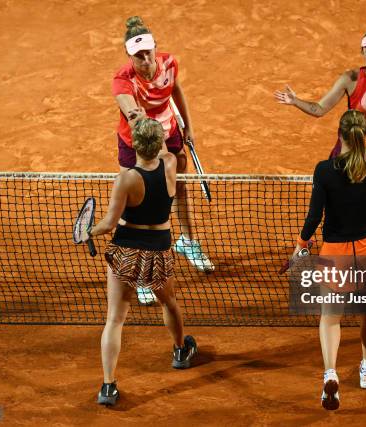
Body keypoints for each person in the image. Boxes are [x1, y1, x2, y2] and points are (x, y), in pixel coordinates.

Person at [82, 118, 198, 407]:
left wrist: (89, 231)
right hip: (159, 251)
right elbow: (161, 153)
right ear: (158, 144)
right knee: (169, 303)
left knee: (114, 320)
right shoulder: (170, 162)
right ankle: (181, 351)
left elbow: (109, 224)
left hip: (126, 253)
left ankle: (108, 386)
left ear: (133, 144)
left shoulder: (126, 179)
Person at [275, 29, 366, 251]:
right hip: (350, 146)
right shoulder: (351, 79)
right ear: (363, 53)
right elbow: (319, 109)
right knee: (339, 209)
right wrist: (295, 100)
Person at [112, 16, 214, 305]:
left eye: (148, 52)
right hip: (138, 143)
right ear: (129, 55)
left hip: (169, 134)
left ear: (155, 48)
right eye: (138, 56)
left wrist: (188, 127)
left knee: (179, 187)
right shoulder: (122, 80)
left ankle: (188, 243)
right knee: (135, 202)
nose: (145, 60)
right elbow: (133, 115)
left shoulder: (169, 63)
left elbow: (176, 90)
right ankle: (137, 272)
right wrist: (156, 155)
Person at [292, 110, 366, 410]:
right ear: (363, 137)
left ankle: (330, 373)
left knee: (330, 318)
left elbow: (314, 217)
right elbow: (363, 156)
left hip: (336, 254)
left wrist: (301, 244)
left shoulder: (324, 171)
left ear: (339, 136)